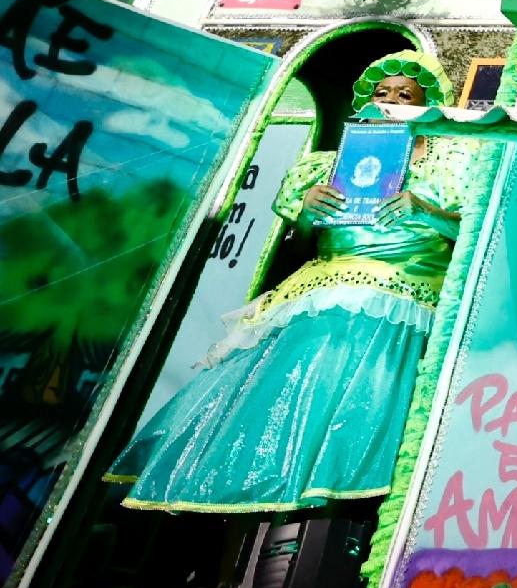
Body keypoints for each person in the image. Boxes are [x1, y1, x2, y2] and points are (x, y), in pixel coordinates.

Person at [107, 51, 475, 516]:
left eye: (405, 94)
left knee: (366, 427)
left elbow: (477, 234)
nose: (391, 101)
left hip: (404, 303)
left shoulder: (457, 162)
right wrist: (306, 213)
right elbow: (301, 241)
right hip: (319, 299)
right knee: (280, 417)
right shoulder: (327, 165)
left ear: (429, 103)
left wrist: (425, 211)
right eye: (382, 93)